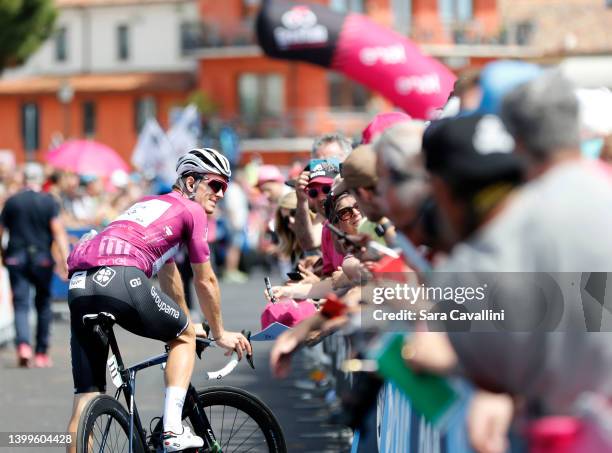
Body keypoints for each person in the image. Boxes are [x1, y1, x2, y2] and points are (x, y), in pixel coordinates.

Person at [65, 148, 252, 453]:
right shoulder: (191, 211)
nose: (220, 194)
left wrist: (185, 321)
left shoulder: (148, 205)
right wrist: (219, 333)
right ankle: (172, 431)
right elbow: (205, 280)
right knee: (184, 338)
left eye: (225, 188)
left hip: (79, 285)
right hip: (121, 276)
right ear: (191, 182)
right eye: (216, 185)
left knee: (85, 401)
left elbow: (170, 274)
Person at [0, 163, 69, 368]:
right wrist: (65, 259)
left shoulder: (12, 201)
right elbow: (57, 231)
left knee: (20, 303)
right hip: (42, 258)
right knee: (43, 304)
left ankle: (23, 345)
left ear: (24, 179)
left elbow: (1, 230)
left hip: (16, 257)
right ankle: (41, 352)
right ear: (40, 180)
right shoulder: (48, 202)